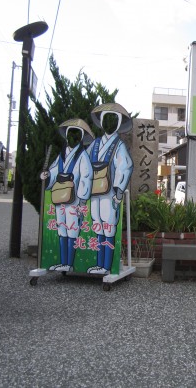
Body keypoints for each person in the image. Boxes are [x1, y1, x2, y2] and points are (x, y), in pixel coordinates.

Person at [40, 118, 94, 272]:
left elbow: (86, 177)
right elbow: (54, 170)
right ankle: (64, 262)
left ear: (81, 137)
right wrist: (47, 175)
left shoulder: (82, 156)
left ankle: (69, 263)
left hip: (74, 200)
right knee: (61, 228)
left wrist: (83, 200)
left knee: (72, 229)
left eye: (75, 134)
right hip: (60, 198)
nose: (72, 137)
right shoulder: (63, 155)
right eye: (70, 134)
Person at [86, 103, 133, 275]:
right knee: (98, 225)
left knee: (109, 227)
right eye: (106, 119)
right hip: (94, 191)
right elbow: (84, 162)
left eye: (113, 119)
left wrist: (119, 190)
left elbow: (124, 167)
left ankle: (107, 265)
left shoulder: (118, 145)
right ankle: (100, 264)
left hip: (109, 193)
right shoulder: (96, 143)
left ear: (118, 124)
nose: (109, 123)